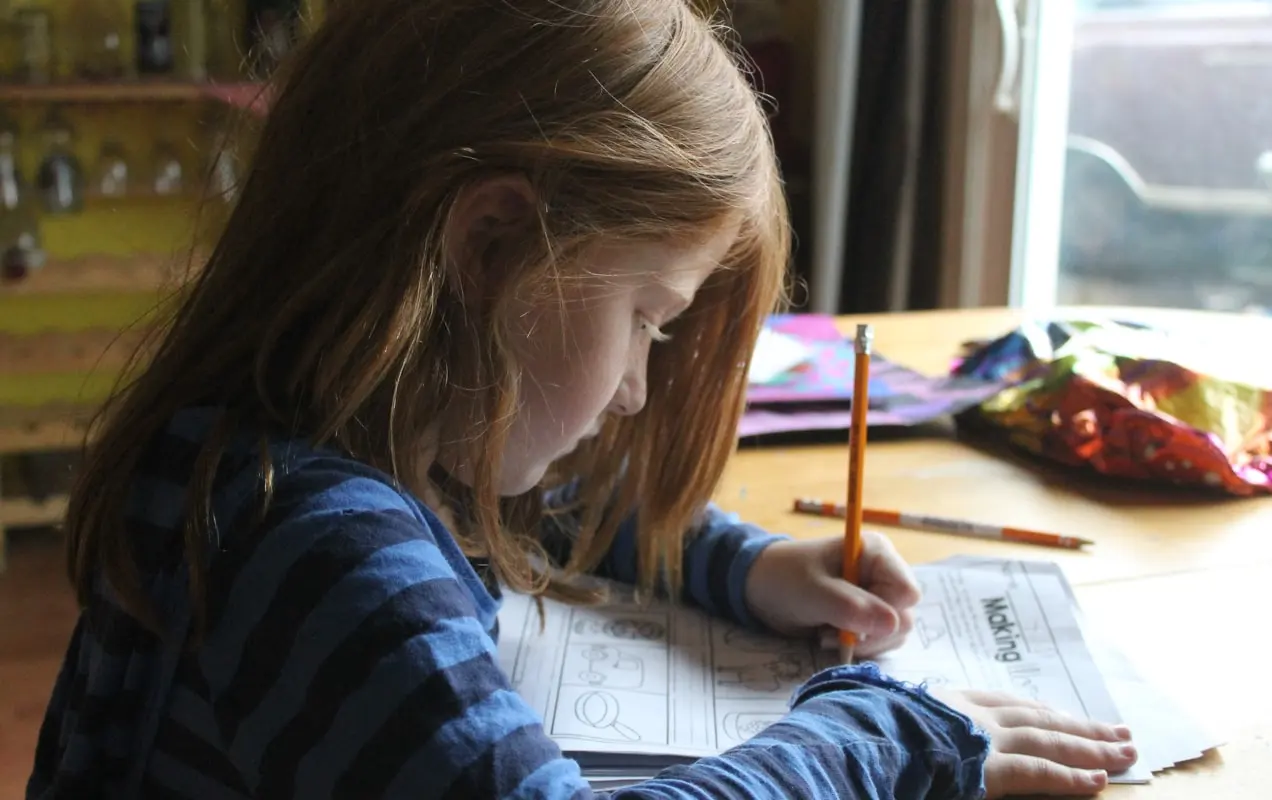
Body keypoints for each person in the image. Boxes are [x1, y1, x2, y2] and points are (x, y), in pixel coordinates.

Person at [27, 1, 1137, 798]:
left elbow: (535, 503)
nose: (638, 386)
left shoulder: (292, 438)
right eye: (647, 316)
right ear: (492, 240)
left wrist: (741, 563)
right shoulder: (321, 550)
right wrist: (886, 734)